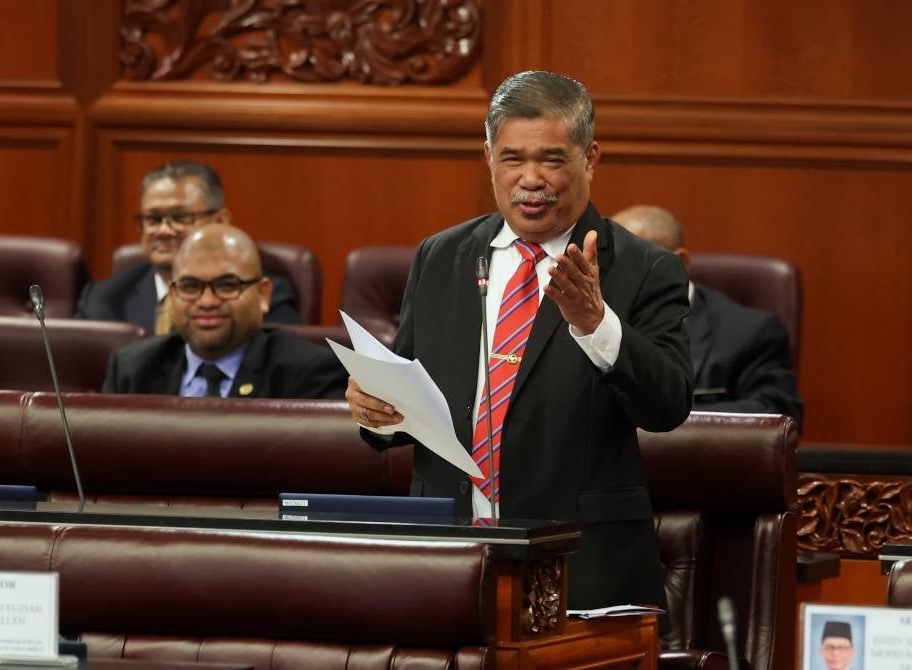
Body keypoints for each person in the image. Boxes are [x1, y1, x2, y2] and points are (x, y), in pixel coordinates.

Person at [345, 71, 693, 615]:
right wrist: (374, 409)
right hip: (445, 562)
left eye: (552, 159)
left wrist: (596, 324)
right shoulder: (442, 257)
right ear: (488, 157)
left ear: (590, 157)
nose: (532, 179)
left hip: (581, 568)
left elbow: (668, 405)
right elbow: (410, 390)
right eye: (512, 159)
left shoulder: (645, 269)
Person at [612, 205, 804, 429]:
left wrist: (670, 411)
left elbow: (777, 412)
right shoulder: (592, 322)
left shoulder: (751, 332)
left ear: (680, 263)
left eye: (628, 263)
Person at [103, 223, 345, 399]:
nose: (207, 301)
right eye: (190, 287)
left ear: (263, 294)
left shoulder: (311, 372)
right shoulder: (131, 369)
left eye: (227, 285)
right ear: (172, 296)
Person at [76, 161, 299, 334]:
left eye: (180, 217)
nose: (163, 230)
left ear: (220, 221)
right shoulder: (103, 299)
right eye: (153, 219)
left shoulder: (256, 294)